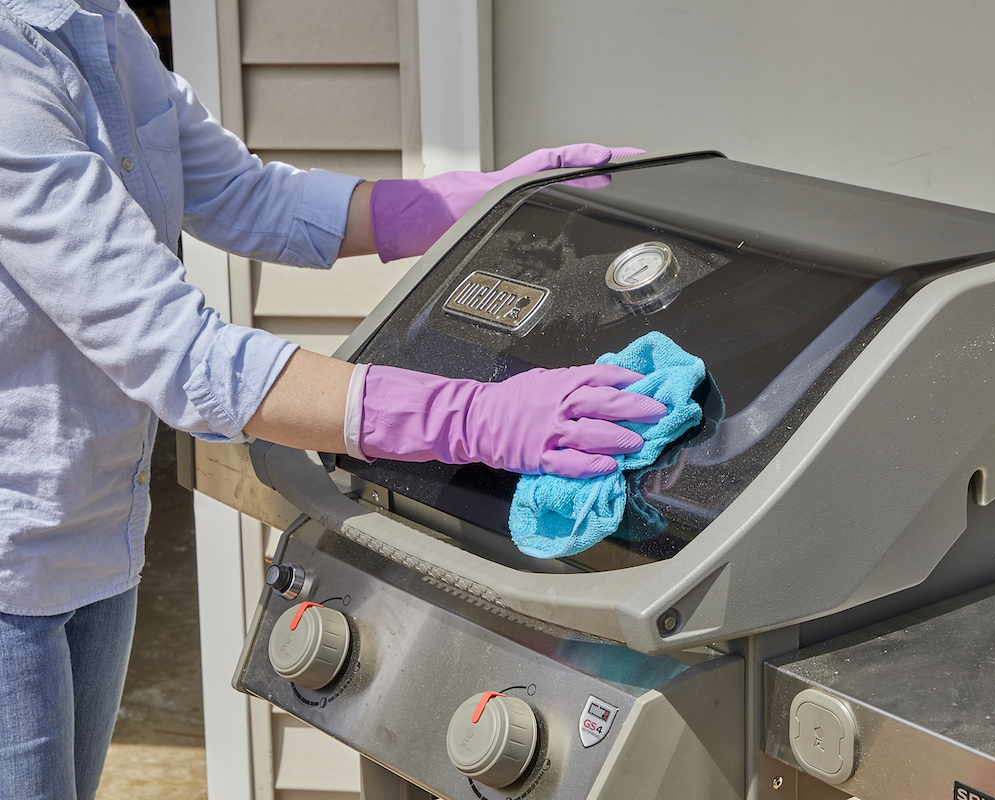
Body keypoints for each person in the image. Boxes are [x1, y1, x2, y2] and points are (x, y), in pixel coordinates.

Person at [0, 1, 665, 798]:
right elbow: (181, 355)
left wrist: (471, 201)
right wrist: (476, 417)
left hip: (91, 538)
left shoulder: (100, 24)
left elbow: (246, 195)